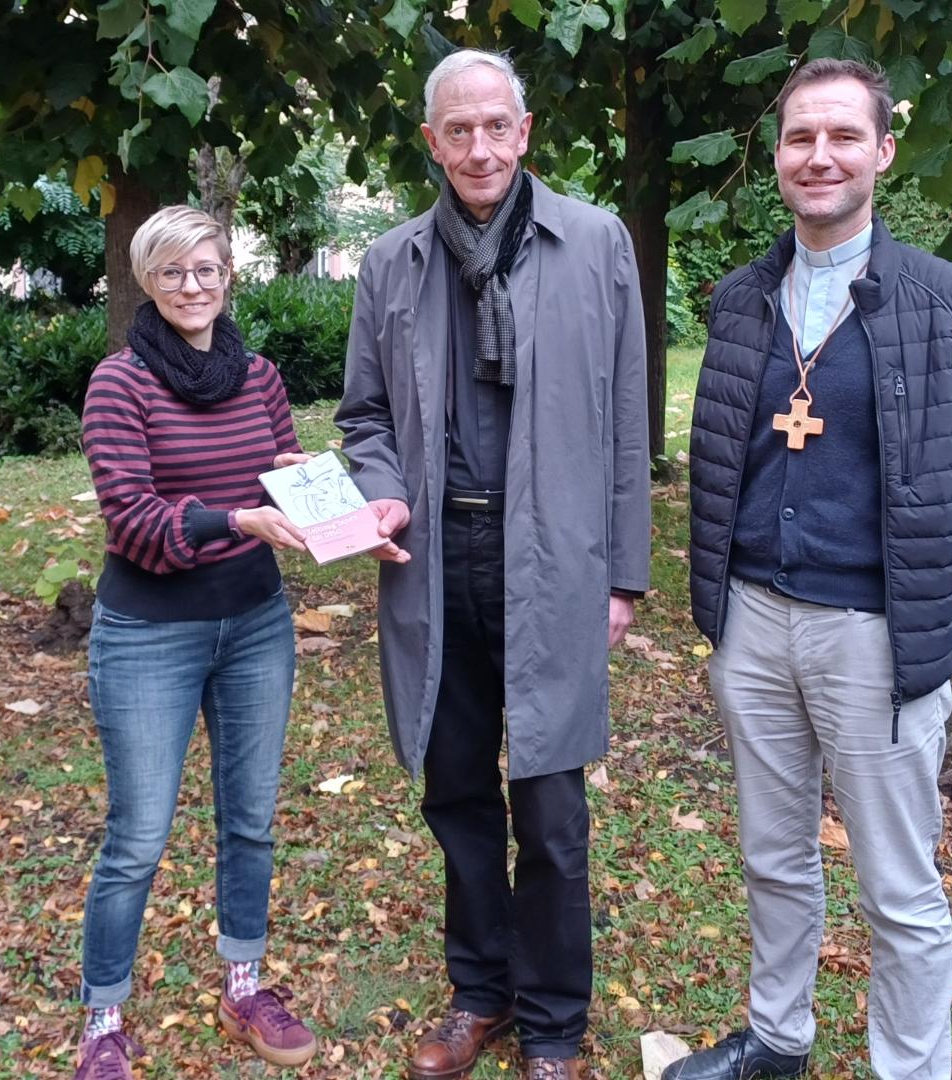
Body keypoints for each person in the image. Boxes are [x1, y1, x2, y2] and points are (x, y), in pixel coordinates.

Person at [668, 59, 952, 1080]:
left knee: (897, 887)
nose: (817, 155)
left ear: (881, 151)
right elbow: (725, 449)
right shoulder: (742, 300)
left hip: (873, 633)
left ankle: (909, 1069)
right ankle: (777, 1039)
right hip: (751, 623)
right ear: (777, 157)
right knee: (773, 856)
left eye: (839, 136)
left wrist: (914, 572)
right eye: (797, 138)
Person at [333, 47, 651, 1080]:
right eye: (456, 130)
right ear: (431, 141)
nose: (478, 146)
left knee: (550, 807)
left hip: (554, 560)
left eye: (495, 126)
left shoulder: (596, 243)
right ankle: (480, 993)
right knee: (456, 788)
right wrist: (378, 482)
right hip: (434, 559)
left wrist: (623, 573)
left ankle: (555, 1022)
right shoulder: (391, 264)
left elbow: (624, 419)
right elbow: (365, 414)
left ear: (525, 133)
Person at [73, 206, 319, 1079]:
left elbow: (285, 465)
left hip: (255, 623)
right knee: (138, 835)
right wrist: (239, 516)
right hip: (149, 632)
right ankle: (103, 1020)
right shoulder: (120, 383)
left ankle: (244, 981)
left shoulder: (258, 375)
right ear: (147, 280)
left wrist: (326, 500)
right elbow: (133, 521)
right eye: (174, 272)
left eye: (207, 269)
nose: (193, 286)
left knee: (249, 821)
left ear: (228, 275)